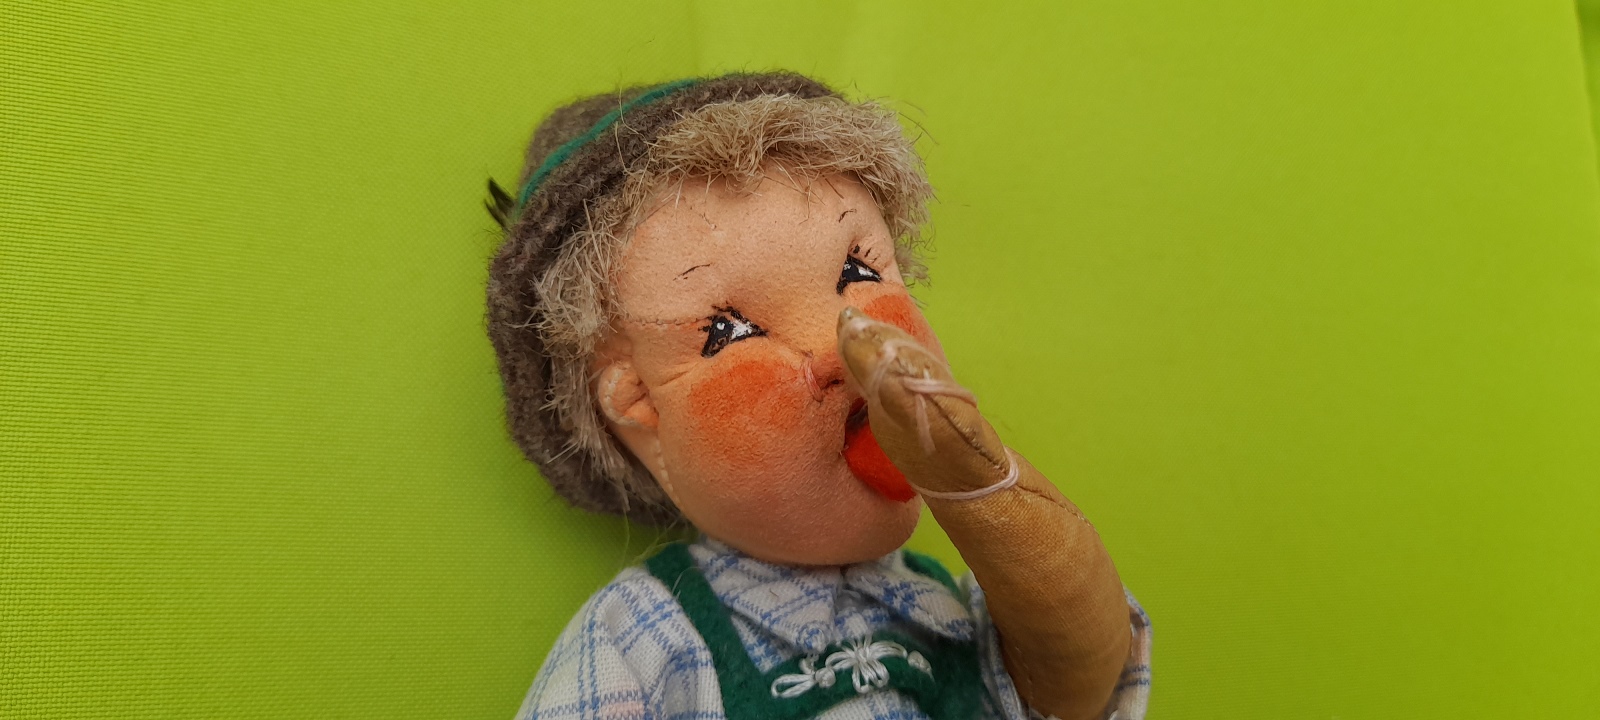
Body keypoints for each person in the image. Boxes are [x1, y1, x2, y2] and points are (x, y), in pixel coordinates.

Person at [486, 71, 1151, 720]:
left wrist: (992, 496)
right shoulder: (646, 638)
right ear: (640, 409)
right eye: (729, 331)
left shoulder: (959, 613)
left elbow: (1085, 683)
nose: (846, 348)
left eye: (859, 270)